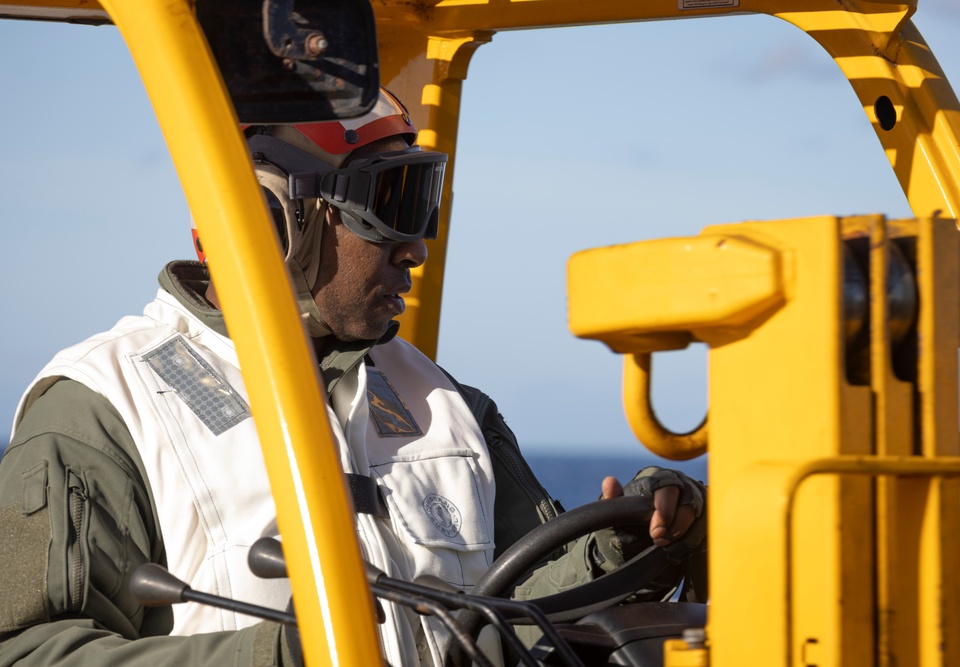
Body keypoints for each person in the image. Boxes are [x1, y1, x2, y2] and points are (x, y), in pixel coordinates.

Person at [0, 88, 706, 666]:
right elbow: (27, 651)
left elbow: (514, 612)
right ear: (276, 219)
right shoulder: (103, 407)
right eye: (391, 206)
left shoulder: (449, 405)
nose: (415, 248)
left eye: (421, 203)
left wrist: (623, 546)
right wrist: (271, 657)